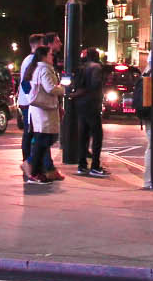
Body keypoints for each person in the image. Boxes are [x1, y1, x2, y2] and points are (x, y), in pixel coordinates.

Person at [18, 37, 65, 185]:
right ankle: (32, 167)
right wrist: (62, 88)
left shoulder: (35, 65)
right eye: (50, 54)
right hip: (41, 107)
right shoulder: (42, 68)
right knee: (41, 138)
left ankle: (40, 169)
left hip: (37, 106)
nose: (53, 56)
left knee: (43, 138)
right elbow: (49, 88)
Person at [71, 46, 107, 177]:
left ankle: (82, 165)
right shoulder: (96, 67)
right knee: (97, 136)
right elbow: (94, 84)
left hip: (80, 104)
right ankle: (95, 166)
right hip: (92, 104)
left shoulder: (82, 67)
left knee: (83, 135)